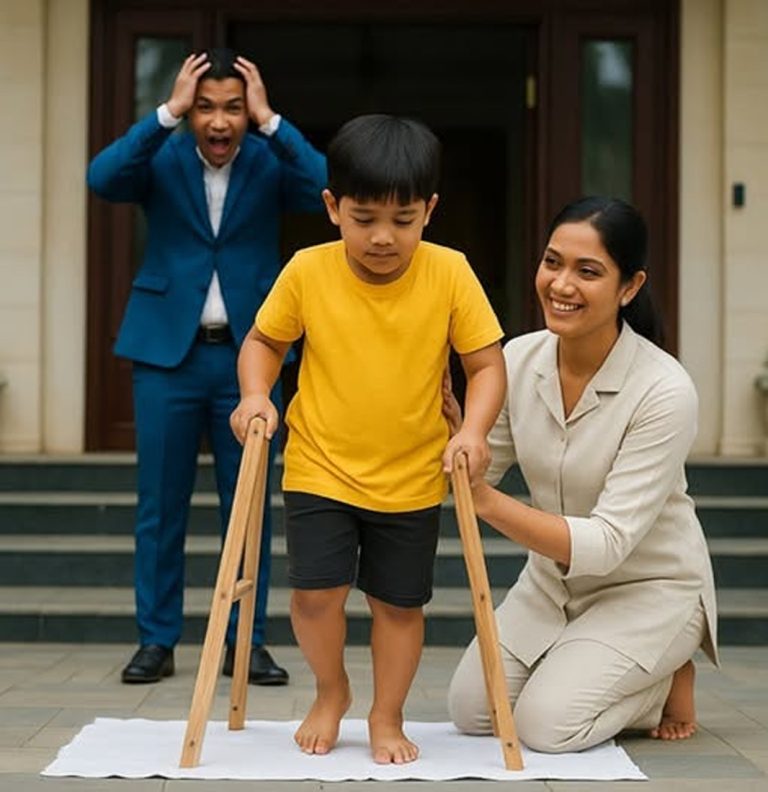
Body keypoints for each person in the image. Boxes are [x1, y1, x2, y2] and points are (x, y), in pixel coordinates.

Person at [230, 114, 506, 763]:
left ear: (429, 211)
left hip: (411, 471)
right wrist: (253, 394)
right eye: (364, 218)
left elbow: (486, 363)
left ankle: (388, 715)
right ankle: (331, 691)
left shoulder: (450, 272)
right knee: (315, 594)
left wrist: (472, 428)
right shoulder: (307, 270)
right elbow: (266, 342)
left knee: (398, 605)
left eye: (403, 220)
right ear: (332, 208)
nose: (383, 237)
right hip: (319, 464)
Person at [444, 196, 719, 753]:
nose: (561, 284)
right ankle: (583, 663)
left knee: (545, 727)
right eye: (552, 262)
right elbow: (483, 465)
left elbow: (609, 541)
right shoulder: (518, 359)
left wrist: (487, 501)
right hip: (552, 585)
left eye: (587, 271)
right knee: (473, 712)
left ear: (629, 286)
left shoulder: (664, 390)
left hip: (649, 590)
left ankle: (663, 681)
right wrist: (457, 437)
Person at [87, 48, 327, 686]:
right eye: (205, 107)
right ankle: (156, 640)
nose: (219, 123)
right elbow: (103, 178)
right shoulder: (161, 152)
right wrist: (164, 112)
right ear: (189, 109)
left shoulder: (268, 158)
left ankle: (246, 642)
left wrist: (272, 120)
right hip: (167, 355)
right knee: (159, 505)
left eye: (232, 109)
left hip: (252, 357)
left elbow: (326, 184)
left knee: (248, 504)